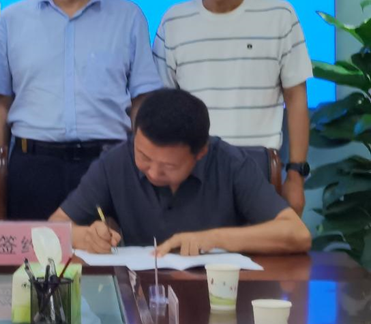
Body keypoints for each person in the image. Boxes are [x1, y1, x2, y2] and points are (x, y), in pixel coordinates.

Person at [0, 0, 162, 220]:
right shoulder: (12, 19)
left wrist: (141, 163)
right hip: (32, 165)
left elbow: (142, 100)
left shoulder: (128, 16)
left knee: (109, 247)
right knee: (31, 250)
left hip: (108, 162)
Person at [152, 0, 313, 214]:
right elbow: (163, 103)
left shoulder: (279, 15)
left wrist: (296, 174)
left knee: (263, 245)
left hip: (258, 164)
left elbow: (296, 98)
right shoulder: (173, 20)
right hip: (192, 164)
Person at [50, 88, 311, 256]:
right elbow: (54, 226)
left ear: (200, 152)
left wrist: (213, 238)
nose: (153, 172)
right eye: (144, 157)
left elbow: (297, 234)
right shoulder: (115, 162)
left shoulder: (231, 163)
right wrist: (84, 236)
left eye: (169, 166)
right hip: (141, 296)